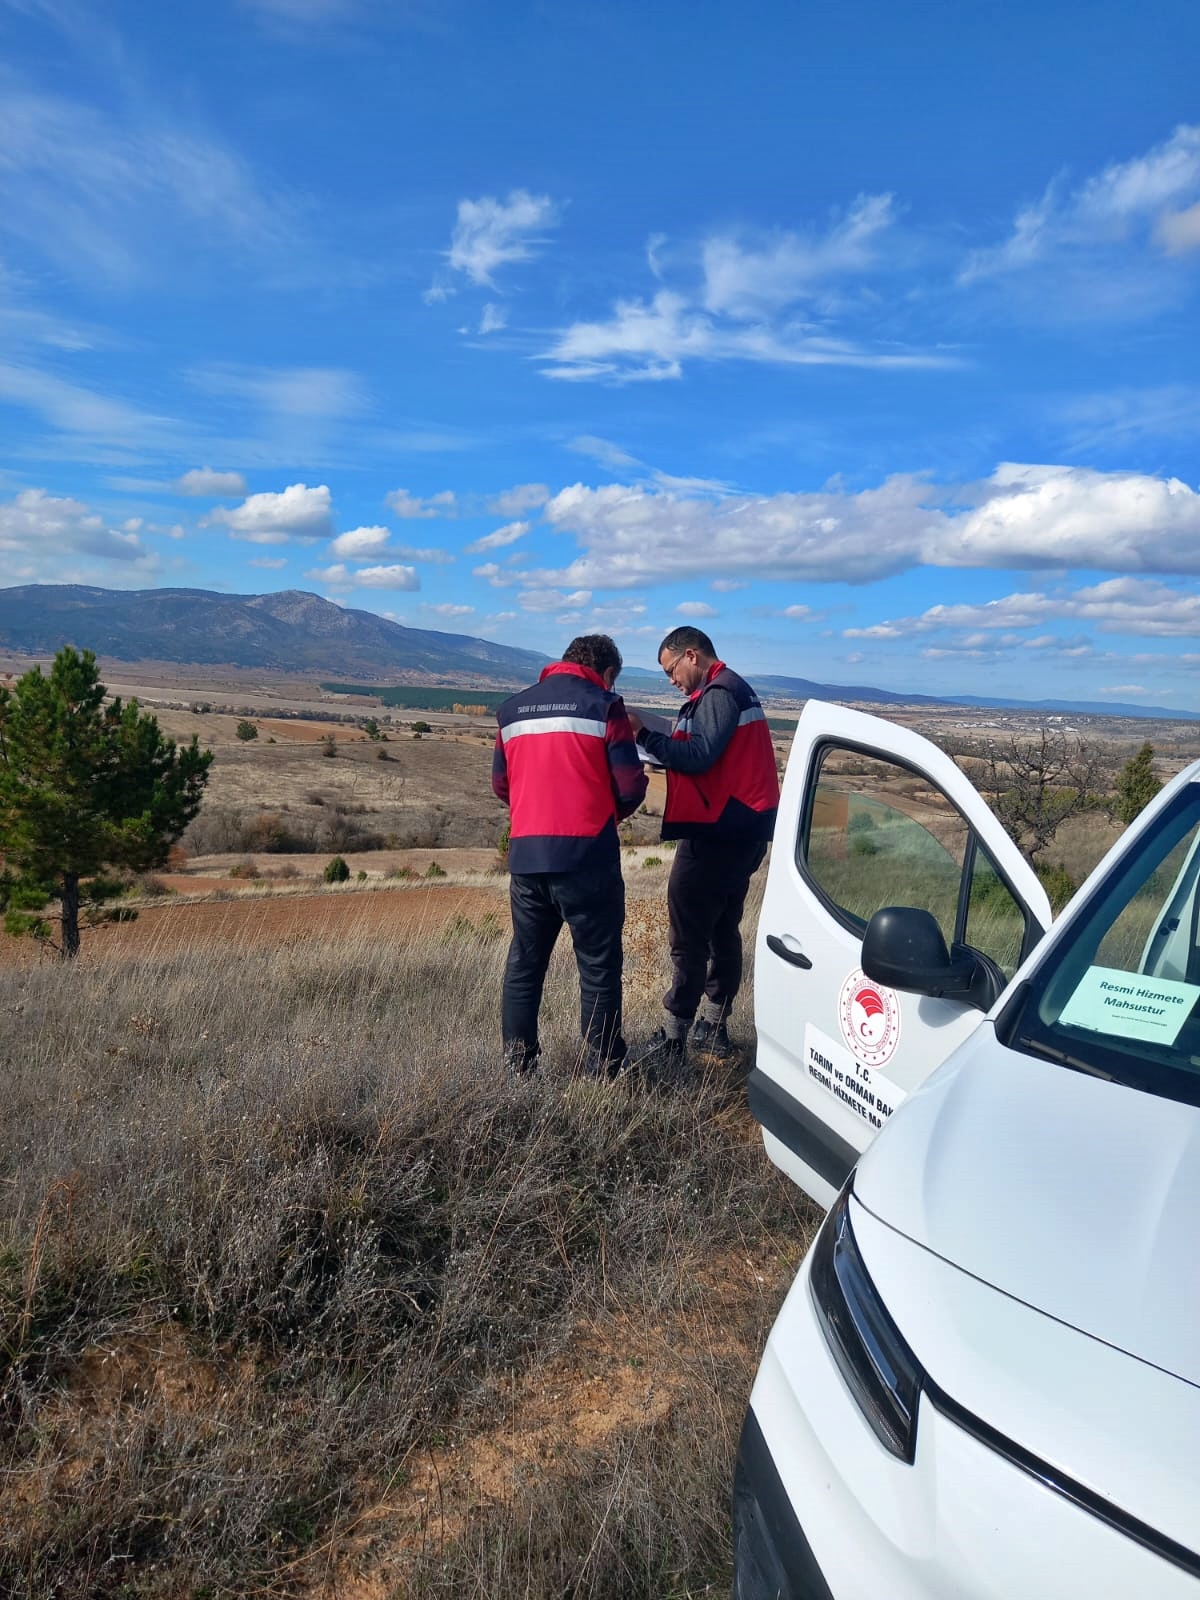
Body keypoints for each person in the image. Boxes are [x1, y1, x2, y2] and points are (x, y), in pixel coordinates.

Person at [492, 633, 647, 1077]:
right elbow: (631, 786)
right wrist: (601, 815)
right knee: (598, 969)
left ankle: (518, 1068)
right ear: (607, 673)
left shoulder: (512, 710)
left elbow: (502, 787)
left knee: (524, 964)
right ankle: (603, 1070)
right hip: (588, 860)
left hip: (526, 859)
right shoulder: (604, 706)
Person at [627, 627, 779, 1074]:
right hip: (740, 830)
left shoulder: (719, 692)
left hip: (718, 833)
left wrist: (646, 738)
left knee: (689, 935)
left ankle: (675, 1039)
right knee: (721, 932)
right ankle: (712, 1027)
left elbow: (699, 756)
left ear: (691, 655)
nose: (671, 680)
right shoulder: (727, 691)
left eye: (671, 670)